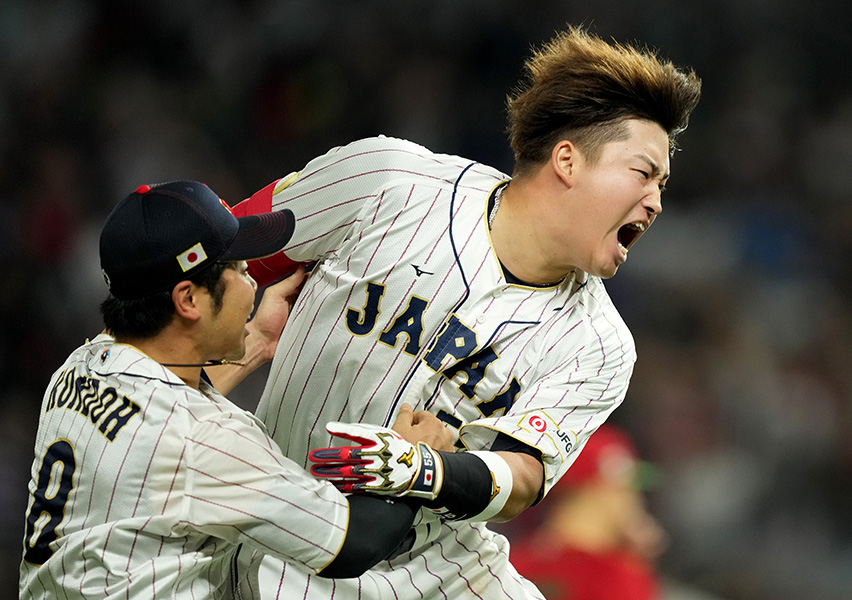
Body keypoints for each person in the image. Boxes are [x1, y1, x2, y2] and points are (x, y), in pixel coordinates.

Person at [231, 25, 702, 599]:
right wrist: (235, 348)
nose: (655, 201)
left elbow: (524, 476)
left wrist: (425, 472)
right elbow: (214, 256)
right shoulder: (389, 180)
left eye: (663, 183)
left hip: (436, 571)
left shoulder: (600, 344)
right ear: (567, 160)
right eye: (643, 173)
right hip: (273, 528)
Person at [19, 181, 449, 599]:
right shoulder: (206, 441)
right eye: (241, 270)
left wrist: (259, 340)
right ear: (188, 300)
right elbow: (353, 544)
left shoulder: (79, 367)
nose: (253, 284)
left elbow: (165, 431)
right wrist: (411, 464)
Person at [508, 424, 668, 600]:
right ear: (593, 491)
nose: (635, 498)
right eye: (627, 488)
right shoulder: (618, 574)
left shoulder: (511, 563)